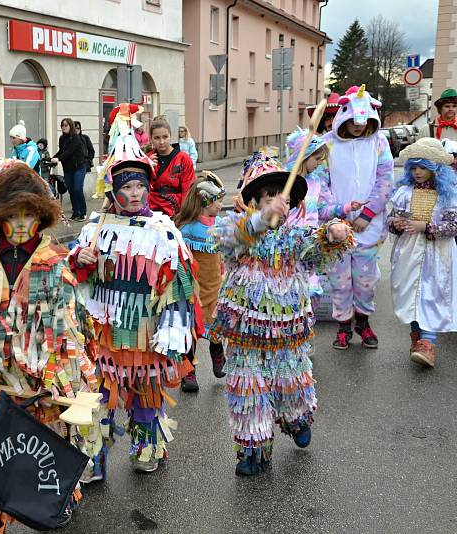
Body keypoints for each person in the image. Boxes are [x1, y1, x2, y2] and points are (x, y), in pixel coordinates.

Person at [0, 160, 99, 532]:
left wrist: (64, 384)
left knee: (48, 455)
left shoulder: (54, 267)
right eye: (11, 216)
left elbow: (69, 331)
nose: (19, 226)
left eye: (28, 215)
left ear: (40, 217)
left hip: (46, 387)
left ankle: (57, 498)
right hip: (0, 388)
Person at [70, 104, 203, 475]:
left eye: (140, 186)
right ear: (113, 188)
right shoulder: (96, 227)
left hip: (145, 335)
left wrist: (173, 329)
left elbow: (178, 283)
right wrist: (80, 259)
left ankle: (147, 448)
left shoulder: (162, 229)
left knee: (145, 393)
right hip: (104, 335)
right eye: (126, 186)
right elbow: (72, 274)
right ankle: (92, 458)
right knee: (97, 396)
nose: (134, 193)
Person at [211, 155, 353, 476]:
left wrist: (332, 233)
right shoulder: (237, 230)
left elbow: (315, 248)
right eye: (269, 197)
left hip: (288, 334)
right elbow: (229, 240)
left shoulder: (293, 237)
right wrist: (260, 220)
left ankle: (296, 420)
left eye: (282, 198)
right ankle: (252, 449)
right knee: (249, 388)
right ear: (254, 202)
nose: (278, 203)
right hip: (246, 335)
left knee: (291, 383)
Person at [322, 85, 393, 350]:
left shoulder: (379, 142)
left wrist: (367, 213)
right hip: (336, 224)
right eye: (353, 121)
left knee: (365, 281)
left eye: (364, 122)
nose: (359, 127)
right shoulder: (328, 143)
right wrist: (337, 213)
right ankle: (343, 325)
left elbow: (385, 180)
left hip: (368, 225)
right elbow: (321, 182)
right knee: (339, 280)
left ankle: (362, 322)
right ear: (344, 116)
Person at [388, 138, 457, 367]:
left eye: (423, 167)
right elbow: (392, 217)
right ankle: (417, 337)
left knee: (431, 294)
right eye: (414, 167)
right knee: (410, 294)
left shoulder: (447, 195)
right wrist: (396, 223)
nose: (418, 172)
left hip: (436, 253)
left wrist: (426, 227)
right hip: (408, 252)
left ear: (435, 169)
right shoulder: (405, 192)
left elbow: (453, 226)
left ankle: (428, 344)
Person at [284, 130, 364, 311]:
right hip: (287, 246)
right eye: (317, 159)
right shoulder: (284, 182)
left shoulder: (316, 182)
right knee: (289, 292)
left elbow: (322, 211)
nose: (320, 164)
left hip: (309, 245)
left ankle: (304, 331)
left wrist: (347, 208)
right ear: (304, 156)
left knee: (310, 292)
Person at [173, 171, 227, 393]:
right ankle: (188, 371)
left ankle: (217, 355)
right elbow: (180, 257)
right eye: (218, 201)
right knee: (191, 331)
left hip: (215, 284)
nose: (222, 205)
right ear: (205, 202)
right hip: (193, 288)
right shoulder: (187, 229)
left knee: (215, 325)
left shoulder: (221, 224)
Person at [147, 116, 196, 217]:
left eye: (165, 137)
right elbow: (142, 186)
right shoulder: (147, 158)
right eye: (157, 138)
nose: (161, 142)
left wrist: (183, 215)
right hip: (151, 211)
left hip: (175, 210)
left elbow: (188, 188)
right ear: (151, 139)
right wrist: (147, 166)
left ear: (170, 136)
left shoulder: (183, 159)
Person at [51, 118, 88, 220]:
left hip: (79, 167)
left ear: (70, 126)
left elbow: (69, 152)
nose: (63, 127)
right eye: (62, 125)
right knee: (71, 190)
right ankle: (76, 212)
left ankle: (83, 212)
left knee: (77, 189)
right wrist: (52, 159)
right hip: (68, 169)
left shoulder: (76, 138)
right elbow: (62, 151)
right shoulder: (62, 138)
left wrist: (58, 159)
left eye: (66, 125)